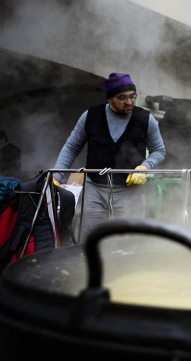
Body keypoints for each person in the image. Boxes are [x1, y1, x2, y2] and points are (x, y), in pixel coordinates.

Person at [52, 72, 166, 241]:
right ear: (110, 99)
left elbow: (159, 150)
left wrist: (145, 166)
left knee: (129, 241)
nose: (129, 102)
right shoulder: (90, 116)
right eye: (122, 98)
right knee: (87, 239)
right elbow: (72, 147)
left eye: (132, 96)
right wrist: (57, 174)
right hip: (94, 189)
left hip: (130, 191)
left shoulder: (145, 119)